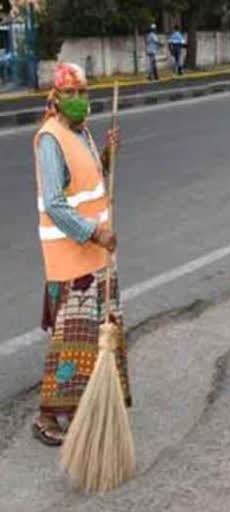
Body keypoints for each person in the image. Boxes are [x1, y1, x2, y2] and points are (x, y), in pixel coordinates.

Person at [31, 62, 130, 445]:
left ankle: (85, 407)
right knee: (71, 339)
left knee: (95, 336)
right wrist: (95, 233)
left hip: (97, 254)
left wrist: (106, 154)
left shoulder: (82, 131)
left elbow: (88, 180)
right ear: (55, 98)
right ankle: (46, 416)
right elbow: (56, 205)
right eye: (69, 94)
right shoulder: (50, 139)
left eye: (82, 92)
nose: (77, 100)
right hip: (72, 257)